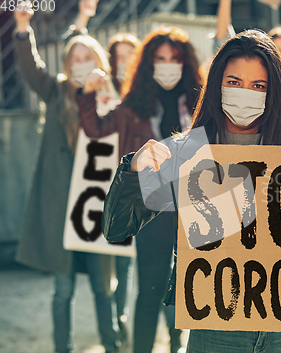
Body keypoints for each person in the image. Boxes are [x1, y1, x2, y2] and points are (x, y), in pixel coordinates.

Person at [98, 29, 281, 353]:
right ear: (216, 85)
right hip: (215, 332)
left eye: (258, 86)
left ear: (274, 94)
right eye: (234, 82)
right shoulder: (187, 153)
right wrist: (133, 169)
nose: (246, 94)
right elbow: (117, 228)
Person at [77, 26, 203, 353]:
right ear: (148, 63)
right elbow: (95, 128)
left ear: (185, 62)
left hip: (199, 201)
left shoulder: (201, 101)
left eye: (174, 59)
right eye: (160, 59)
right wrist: (88, 95)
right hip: (154, 208)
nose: (167, 65)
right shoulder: (133, 105)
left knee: (193, 288)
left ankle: (178, 345)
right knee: (150, 290)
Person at [13, 2, 121, 353]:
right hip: (62, 209)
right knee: (63, 291)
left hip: (95, 207)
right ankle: (64, 347)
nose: (80, 64)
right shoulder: (57, 91)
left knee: (104, 288)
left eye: (87, 57)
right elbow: (30, 70)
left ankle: (112, 344)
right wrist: (21, 28)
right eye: (74, 59)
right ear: (66, 66)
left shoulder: (110, 99)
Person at [106, 31, 142, 347]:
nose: (124, 61)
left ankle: (125, 320)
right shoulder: (103, 95)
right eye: (119, 56)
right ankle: (116, 324)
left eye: (130, 54)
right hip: (103, 189)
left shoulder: (143, 97)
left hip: (138, 189)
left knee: (129, 263)